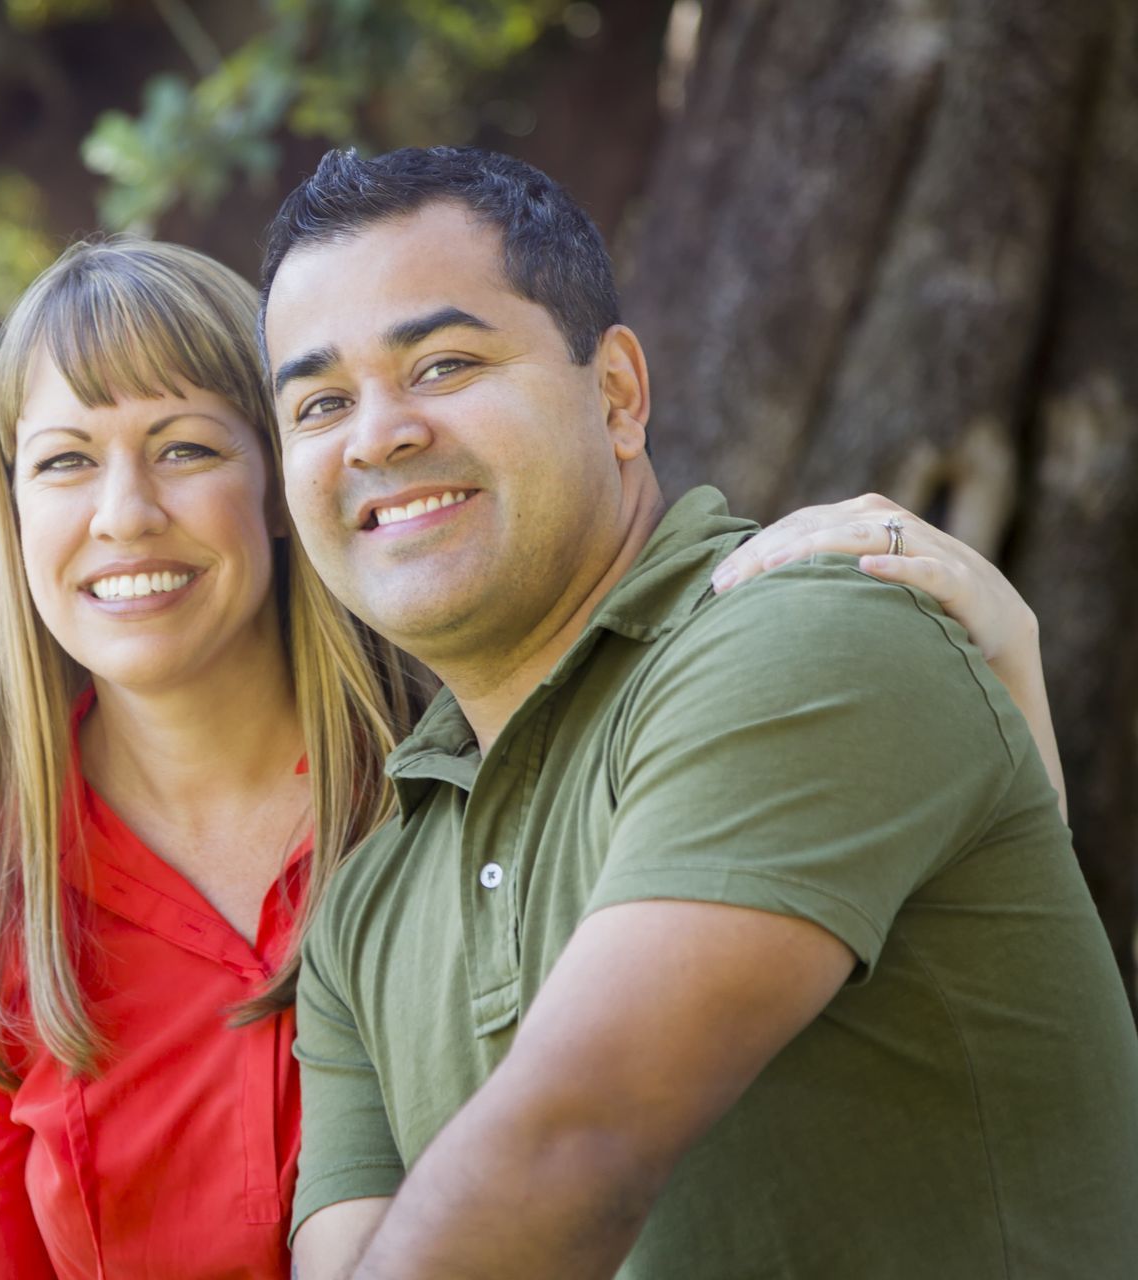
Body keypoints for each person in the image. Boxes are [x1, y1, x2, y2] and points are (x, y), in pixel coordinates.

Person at [0, 236, 1069, 1280]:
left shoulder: (465, 778)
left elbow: (937, 1029)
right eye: (63, 460)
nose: (124, 512)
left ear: (281, 481)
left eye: (185, 447)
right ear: (9, 511)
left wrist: (1000, 693)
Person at [262, 147, 1138, 1280]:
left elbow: (578, 1139)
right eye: (320, 401)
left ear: (618, 394)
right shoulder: (363, 912)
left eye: (441, 362)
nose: (377, 434)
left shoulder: (807, 638)